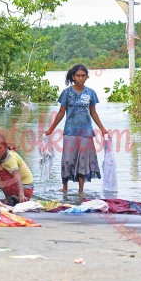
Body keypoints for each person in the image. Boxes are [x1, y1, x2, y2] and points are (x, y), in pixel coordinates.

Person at [45, 64, 108, 193]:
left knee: (82, 163)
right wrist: (51, 129)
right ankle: (65, 187)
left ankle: (81, 191)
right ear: (73, 77)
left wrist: (102, 128)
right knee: (67, 160)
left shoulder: (90, 93)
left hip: (86, 133)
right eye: (78, 76)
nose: (80, 78)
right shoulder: (66, 93)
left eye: (83, 76)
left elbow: (93, 113)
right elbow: (61, 113)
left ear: (86, 77)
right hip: (70, 132)